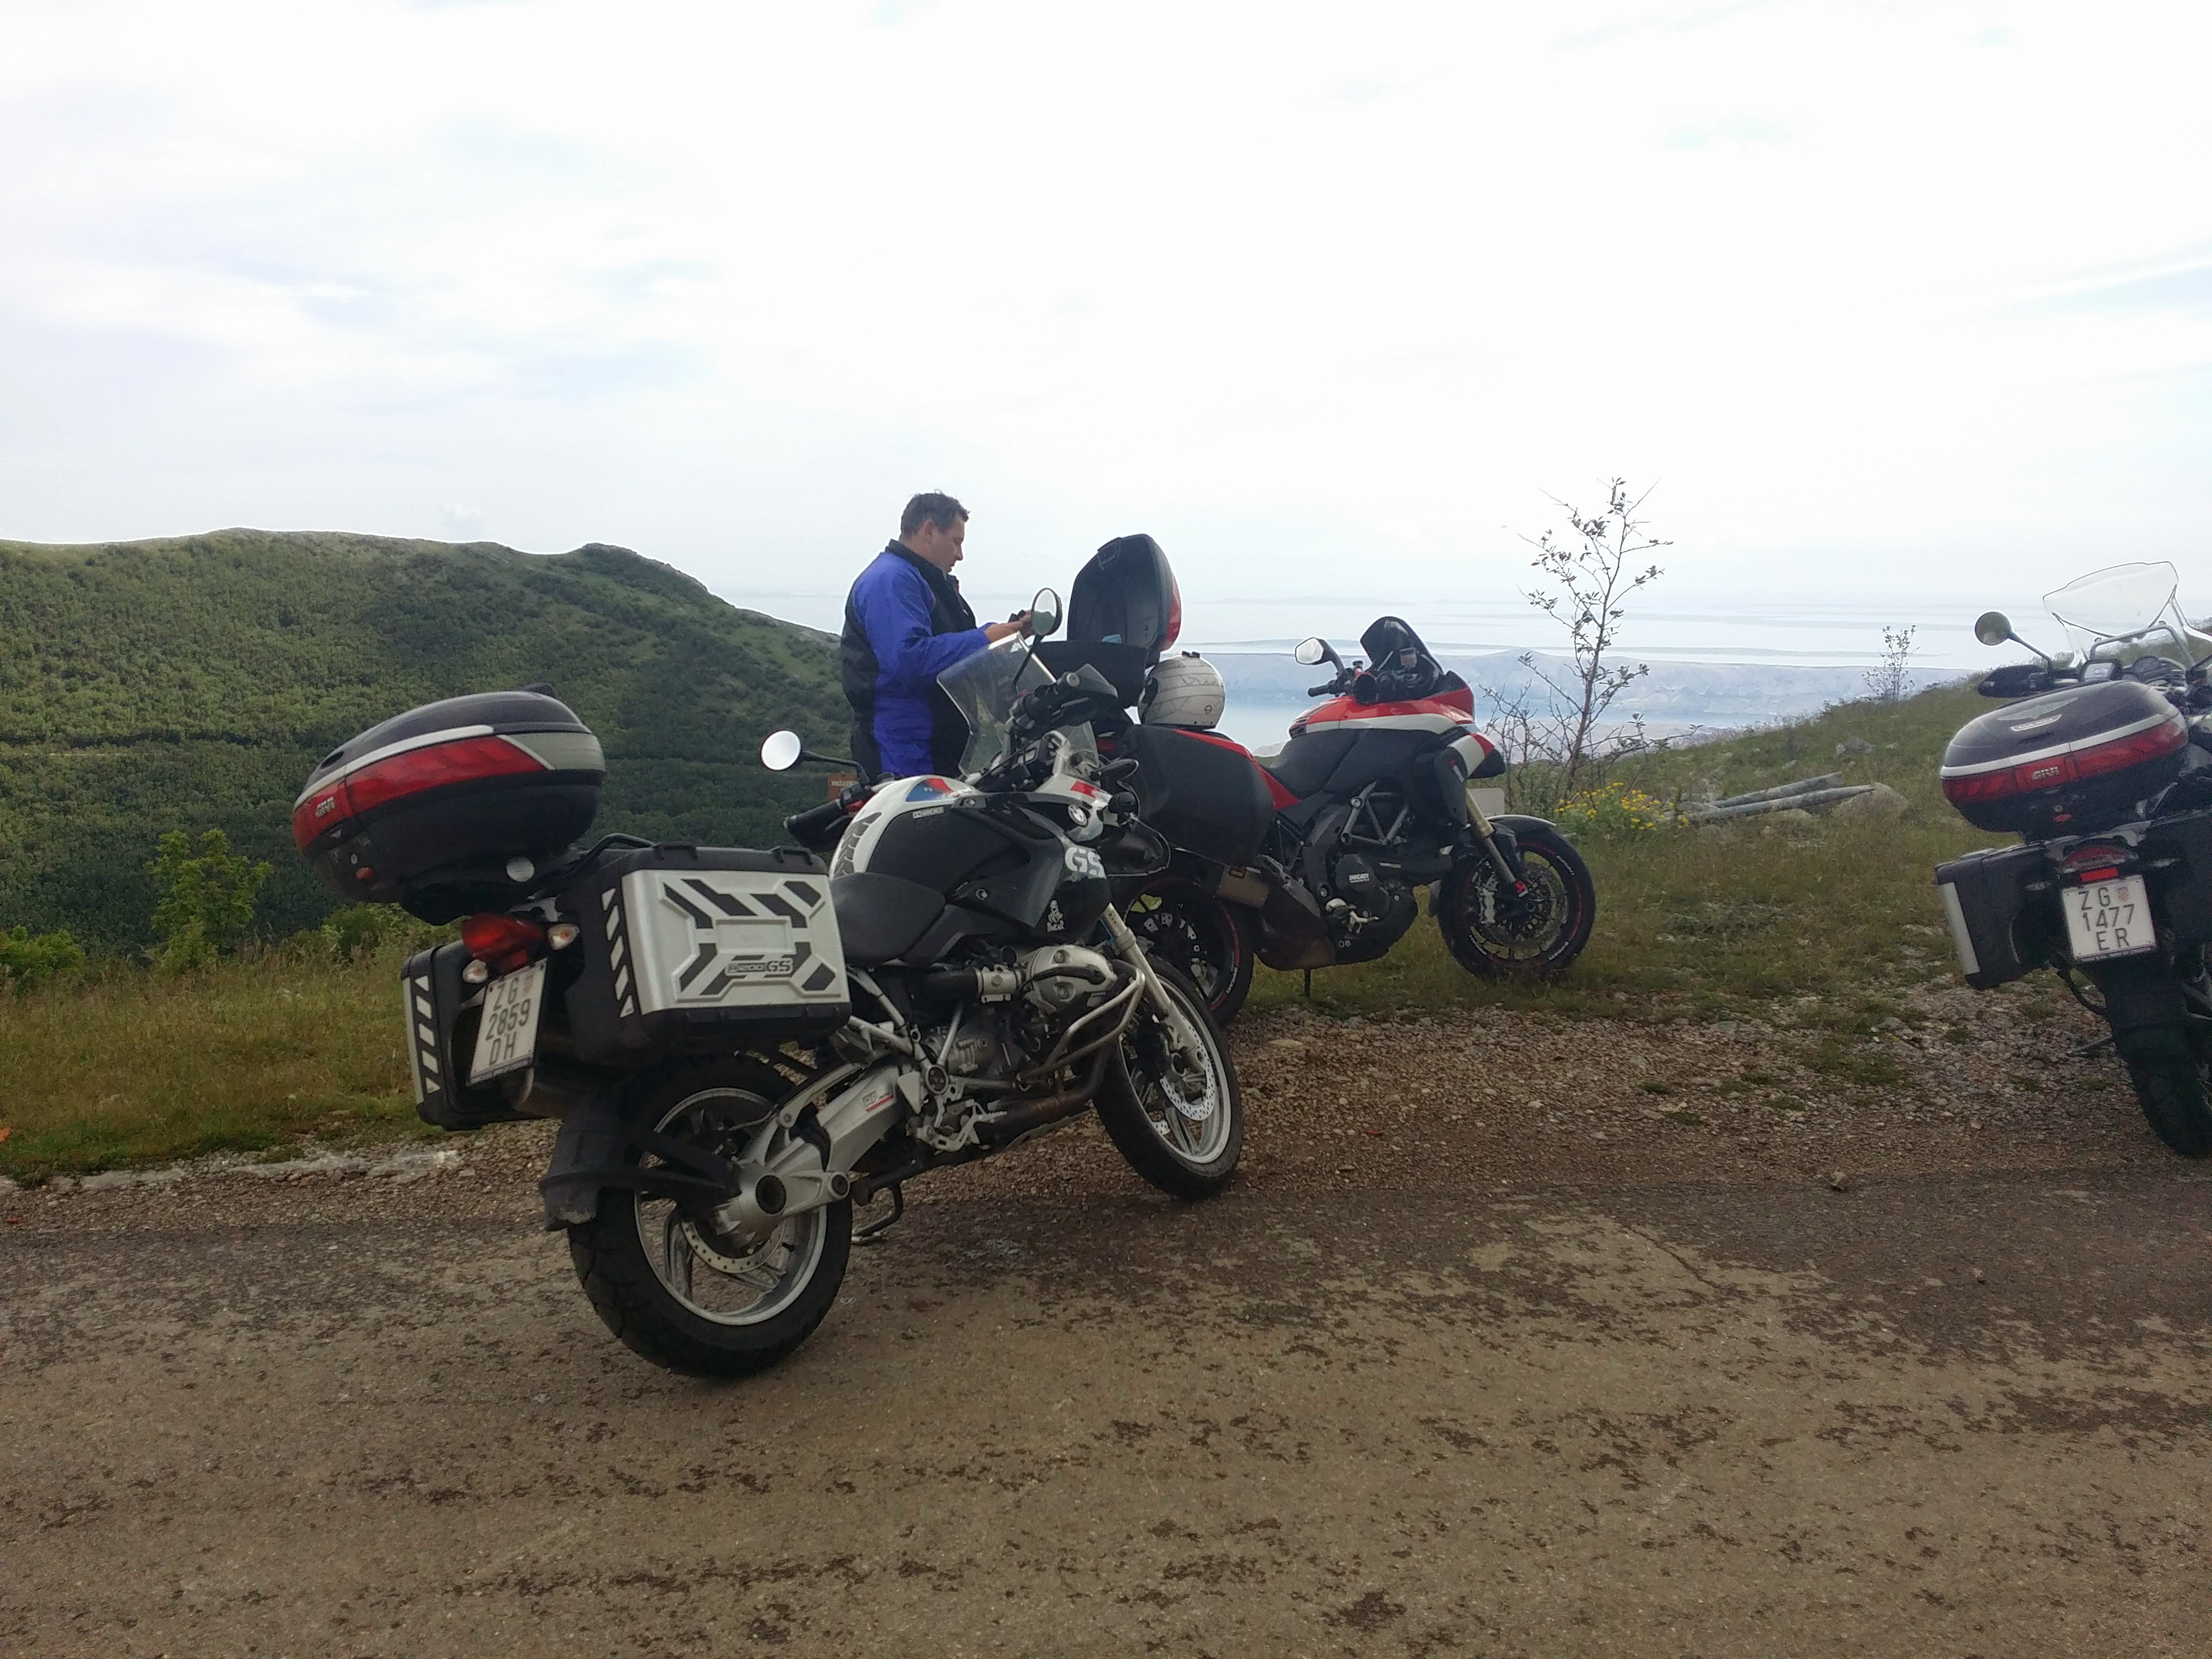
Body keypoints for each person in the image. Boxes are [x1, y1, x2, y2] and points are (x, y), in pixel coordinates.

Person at [841, 492, 1032, 780]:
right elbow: (909, 659)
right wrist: (984, 639)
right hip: (904, 750)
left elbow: (953, 648)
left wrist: (1005, 637)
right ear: (929, 530)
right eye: (956, 541)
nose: (960, 555)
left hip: (935, 747)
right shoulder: (891, 579)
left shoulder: (926, 582)